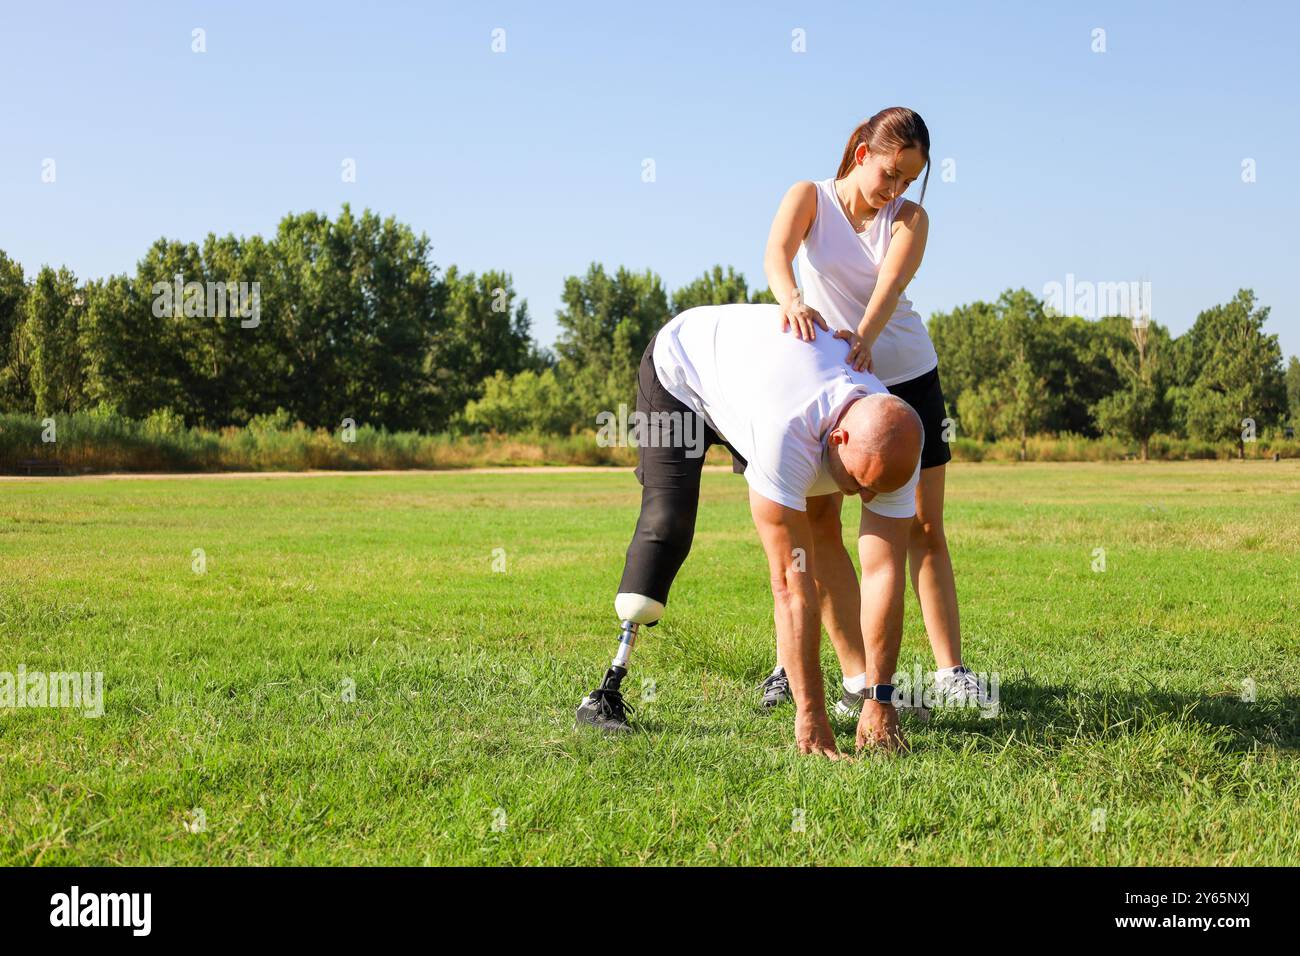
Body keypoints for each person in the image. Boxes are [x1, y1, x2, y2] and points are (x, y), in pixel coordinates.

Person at [575, 303, 922, 758]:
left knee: (824, 534)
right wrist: (810, 715)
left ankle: (860, 689)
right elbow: (790, 585)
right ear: (837, 440)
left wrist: (883, 696)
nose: (863, 497)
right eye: (859, 483)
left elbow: (883, 573)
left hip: (757, 386)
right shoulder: (787, 432)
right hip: (682, 370)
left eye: (876, 488)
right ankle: (604, 692)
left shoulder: (895, 444)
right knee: (668, 521)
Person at [758, 106, 984, 714]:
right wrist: (794, 302)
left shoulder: (910, 219)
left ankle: (950, 672)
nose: (895, 189)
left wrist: (861, 336)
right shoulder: (810, 196)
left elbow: (888, 287)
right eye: (890, 174)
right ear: (862, 155)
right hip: (832, 381)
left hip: (905, 375)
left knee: (922, 525)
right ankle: (791, 662)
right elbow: (777, 254)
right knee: (813, 525)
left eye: (908, 179)